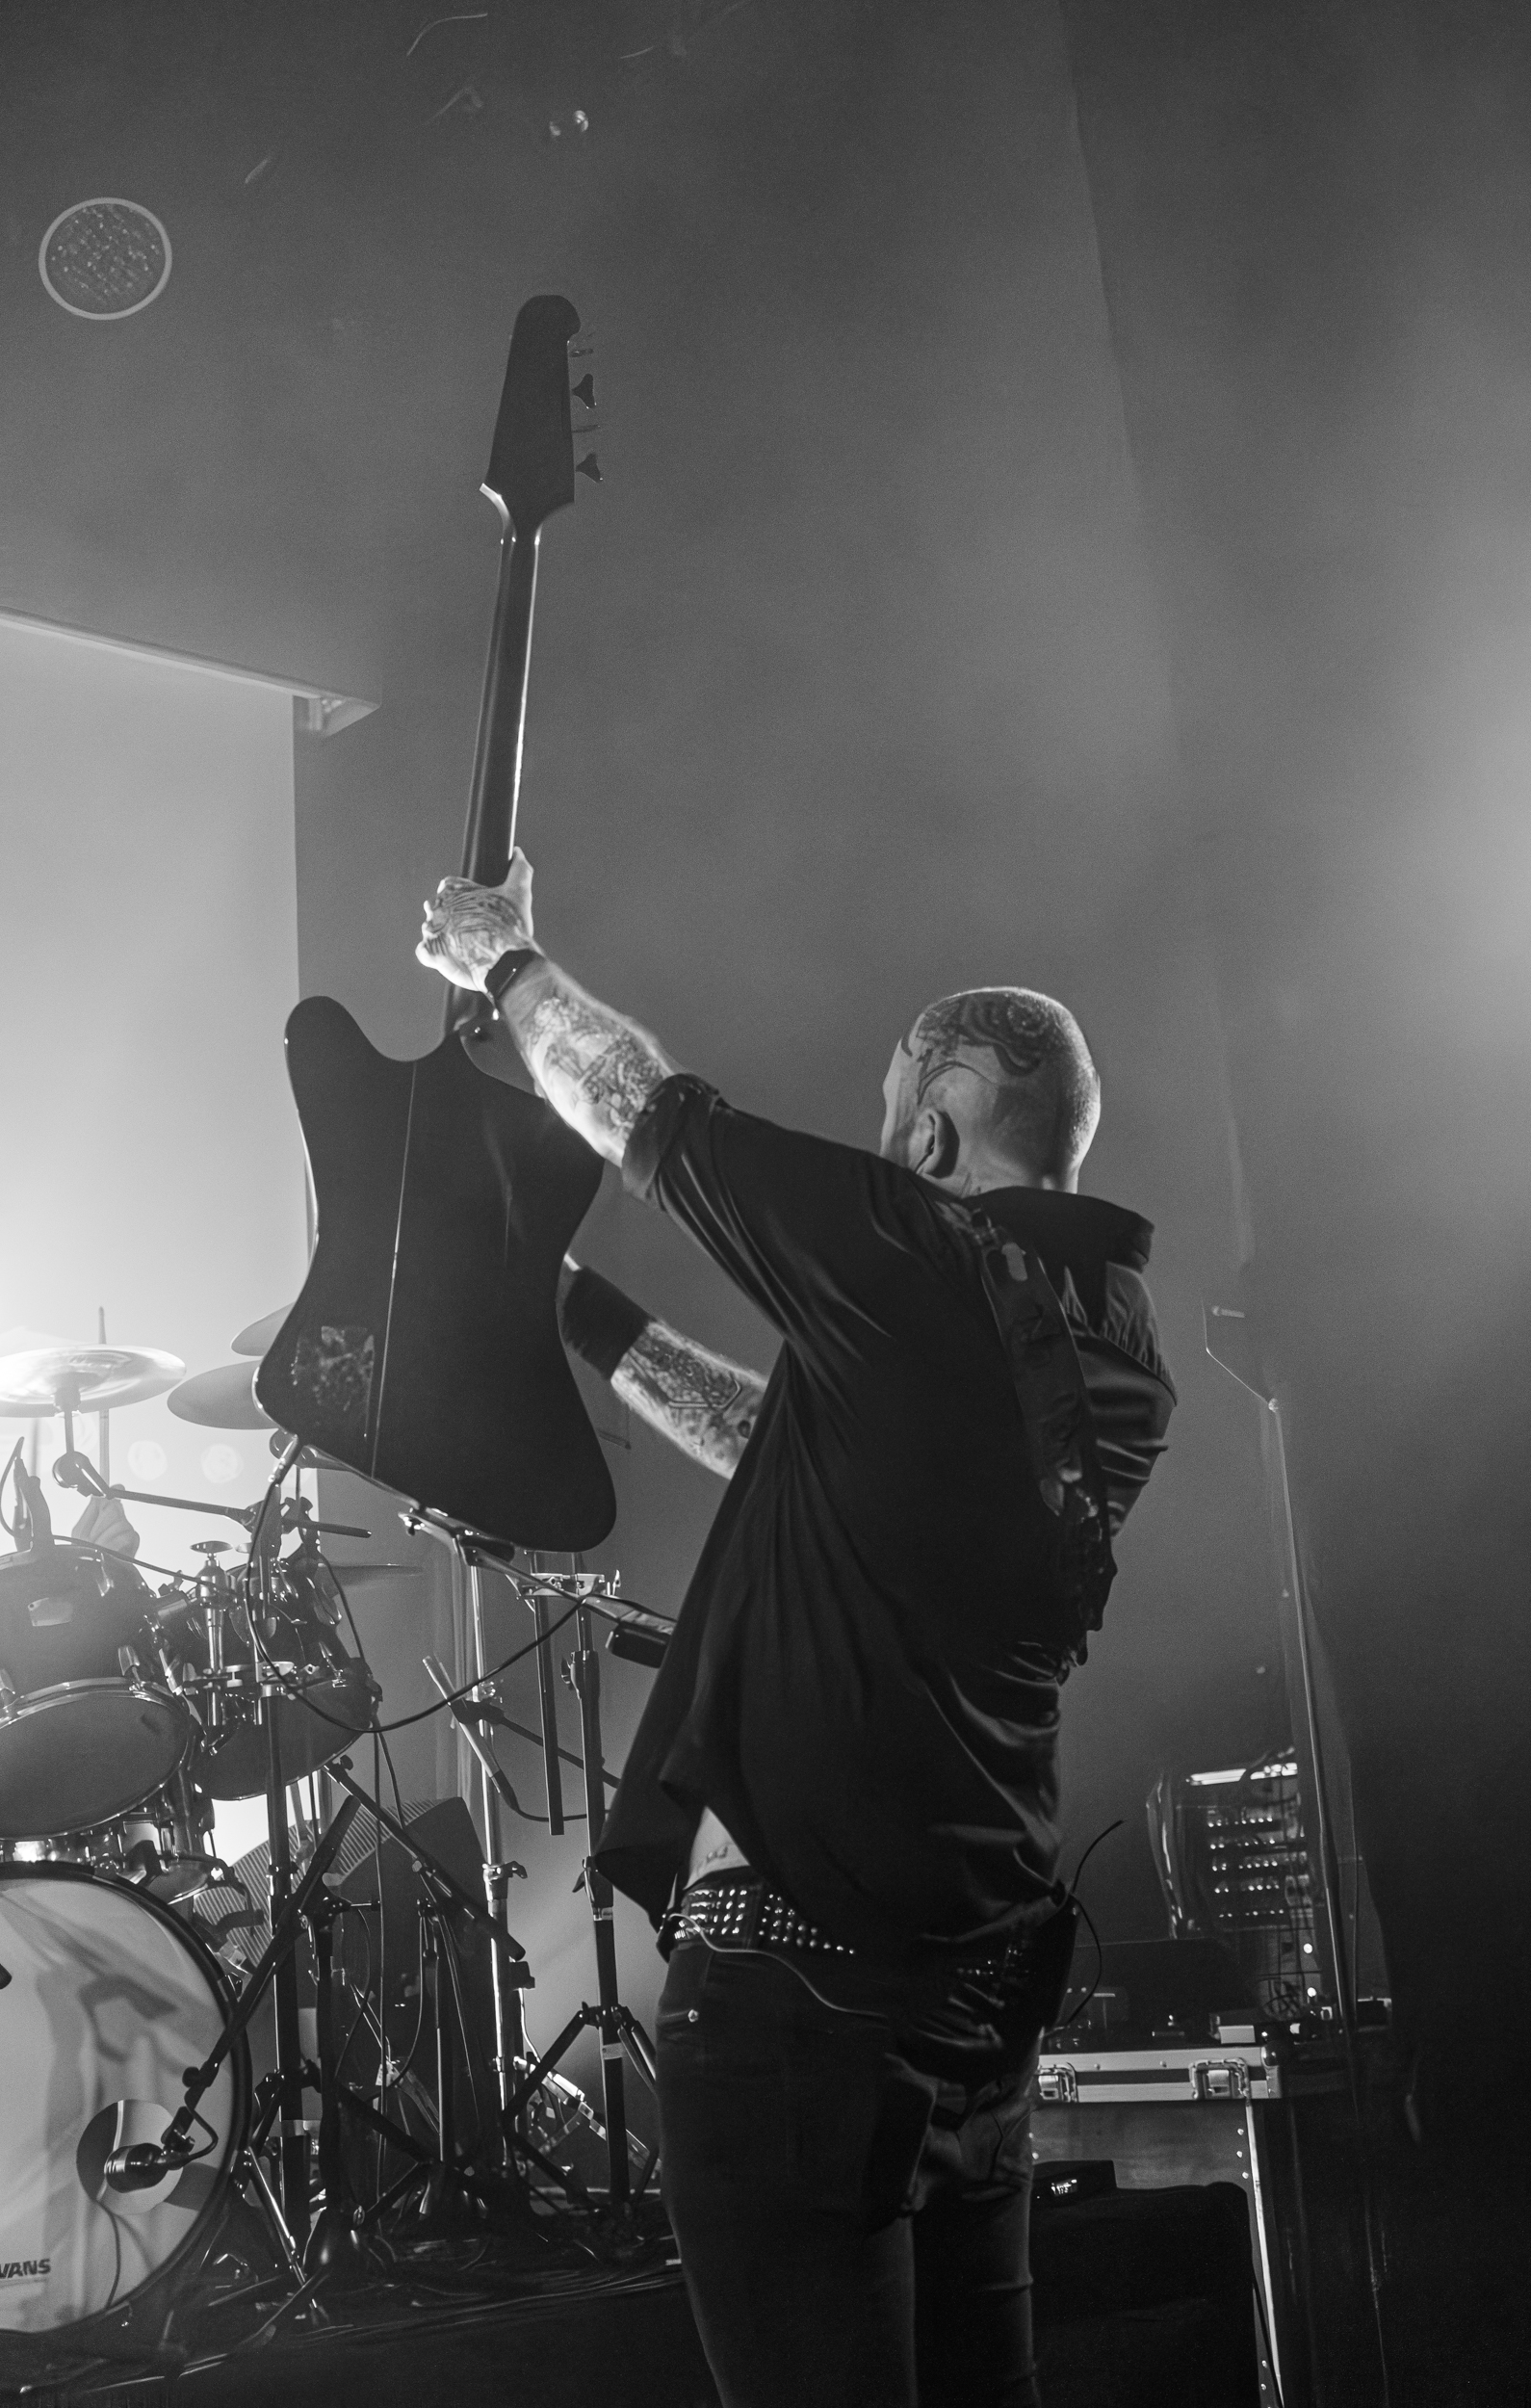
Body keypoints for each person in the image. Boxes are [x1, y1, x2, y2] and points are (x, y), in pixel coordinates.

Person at [418, 854, 1177, 2408]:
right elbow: (785, 1435)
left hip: (802, 1990)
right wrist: (575, 1311)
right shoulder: (1109, 1345)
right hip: (969, 2002)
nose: (888, 1137)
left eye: (898, 1105)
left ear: (936, 1123)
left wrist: (504, 962)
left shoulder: (920, 1248)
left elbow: (651, 1115)